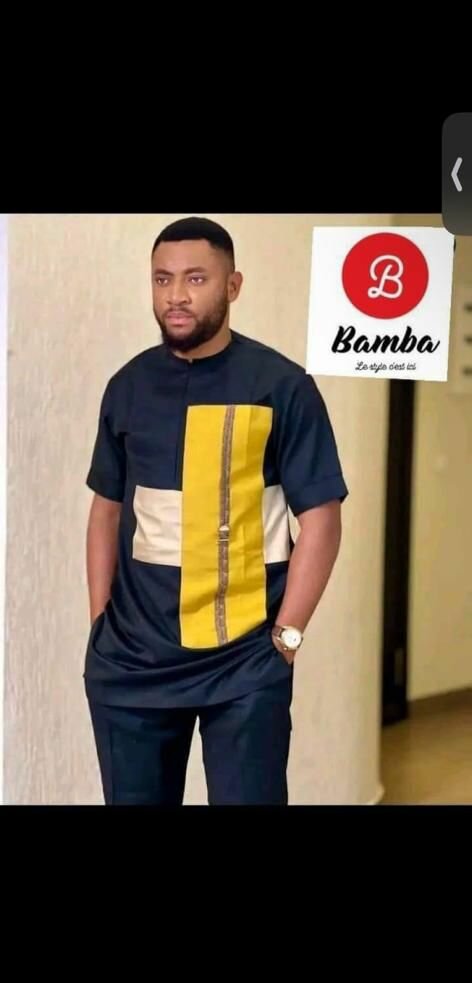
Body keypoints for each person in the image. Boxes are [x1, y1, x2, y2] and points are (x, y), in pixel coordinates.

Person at [84, 216, 348, 805]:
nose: (176, 295)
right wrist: (100, 624)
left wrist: (287, 636)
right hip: (132, 663)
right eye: (163, 279)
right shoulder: (127, 387)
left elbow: (322, 519)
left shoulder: (282, 386)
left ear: (233, 286)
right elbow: (106, 509)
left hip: (246, 664)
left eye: (196, 278)